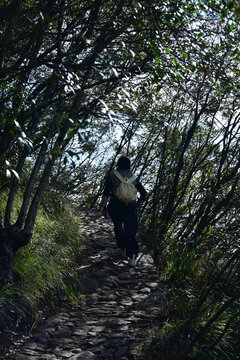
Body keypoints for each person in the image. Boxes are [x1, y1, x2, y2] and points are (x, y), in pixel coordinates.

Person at [101, 156, 147, 267]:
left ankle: (122, 248)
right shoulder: (133, 177)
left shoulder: (112, 175)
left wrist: (104, 207)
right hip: (131, 206)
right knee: (131, 230)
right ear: (129, 165)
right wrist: (139, 202)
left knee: (117, 226)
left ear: (118, 164)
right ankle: (133, 257)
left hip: (115, 205)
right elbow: (144, 192)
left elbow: (106, 193)